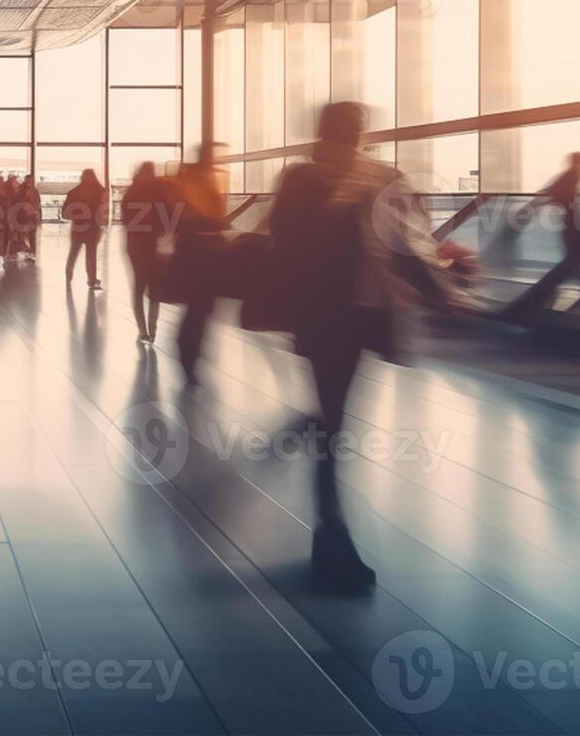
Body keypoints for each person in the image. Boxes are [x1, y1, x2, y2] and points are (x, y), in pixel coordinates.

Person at [267, 102, 455, 593]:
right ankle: (332, 535)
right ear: (359, 133)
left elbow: (282, 246)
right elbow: (403, 247)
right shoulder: (378, 178)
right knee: (335, 420)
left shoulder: (299, 179)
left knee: (334, 416)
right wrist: (443, 295)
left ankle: (330, 529)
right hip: (357, 315)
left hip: (323, 316)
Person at [172, 149, 230, 386]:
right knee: (199, 307)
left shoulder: (193, 180)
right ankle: (189, 352)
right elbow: (201, 215)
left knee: (199, 307)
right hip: (200, 253)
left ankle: (190, 351)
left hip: (198, 252)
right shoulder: (197, 182)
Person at [525, 152, 580, 306]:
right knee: (576, 257)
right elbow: (557, 194)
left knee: (575, 257)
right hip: (574, 226)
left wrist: (536, 205)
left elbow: (550, 192)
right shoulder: (573, 176)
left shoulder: (570, 176)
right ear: (579, 162)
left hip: (571, 224)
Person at [121, 162, 170, 343]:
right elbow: (167, 219)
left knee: (139, 288)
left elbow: (126, 220)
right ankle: (152, 329)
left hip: (135, 245)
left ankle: (143, 330)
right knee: (154, 288)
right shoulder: (158, 193)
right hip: (152, 245)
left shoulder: (131, 193)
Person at [62, 169, 109, 289]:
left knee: (73, 252)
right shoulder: (99, 191)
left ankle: (69, 274)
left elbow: (65, 213)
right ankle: (91, 279)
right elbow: (102, 211)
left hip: (78, 226)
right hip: (93, 228)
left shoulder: (74, 192)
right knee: (91, 254)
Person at [16, 174, 42, 262]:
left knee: (29, 235)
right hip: (26, 216)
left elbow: (37, 204)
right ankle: (29, 252)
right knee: (27, 235)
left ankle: (30, 252)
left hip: (29, 216)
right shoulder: (29, 190)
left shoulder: (30, 190)